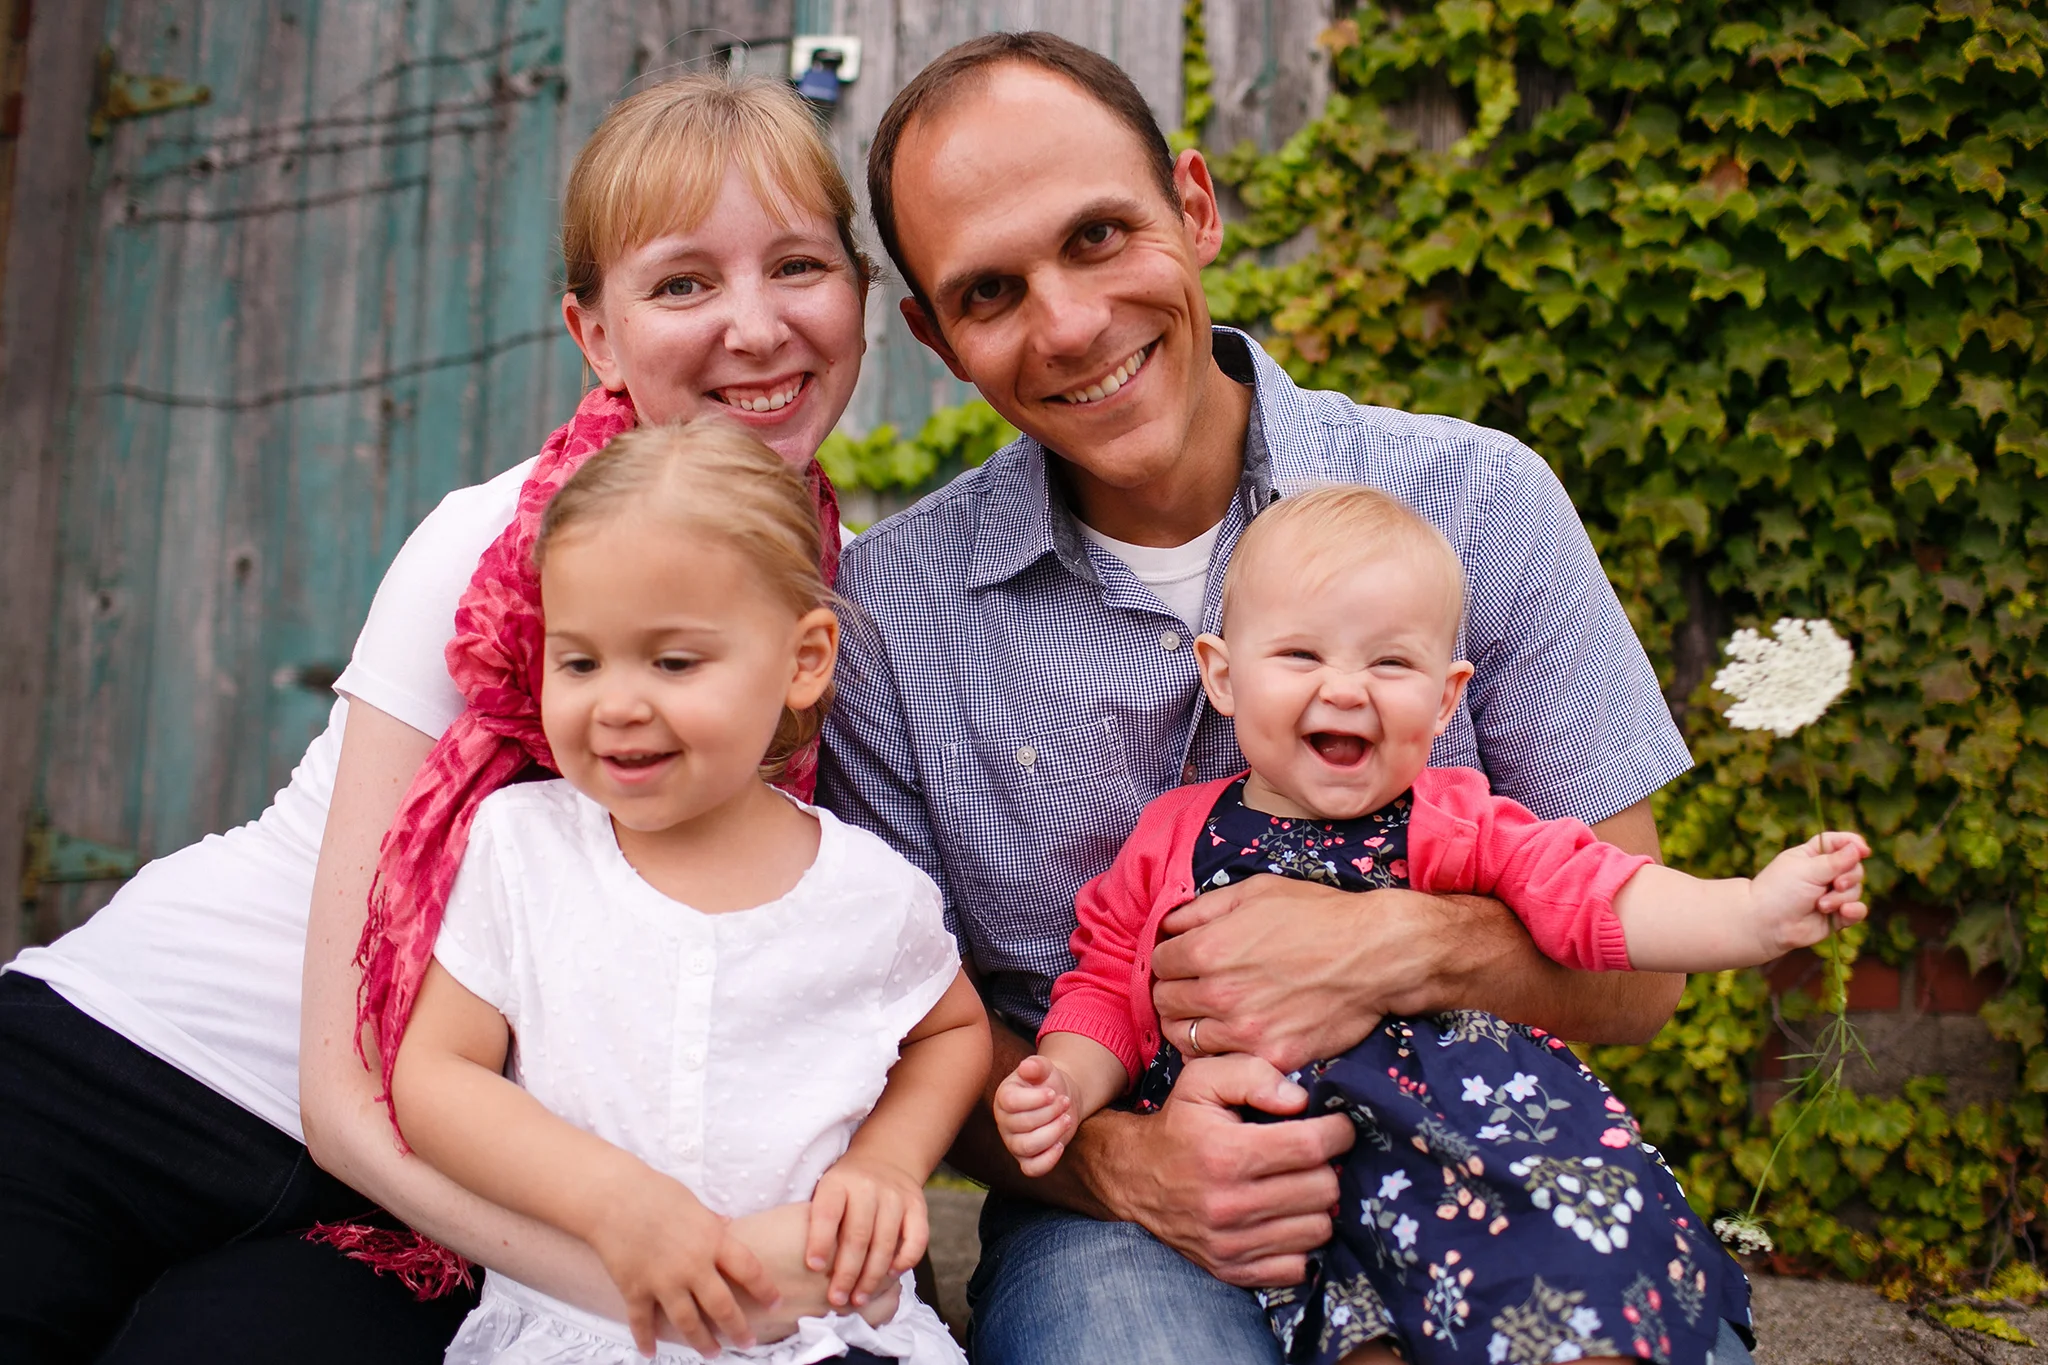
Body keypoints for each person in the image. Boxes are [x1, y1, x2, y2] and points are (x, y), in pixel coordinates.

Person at [820, 31, 1764, 1365]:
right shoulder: (891, 623)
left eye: (1099, 236)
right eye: (991, 291)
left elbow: (1644, 974)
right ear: (933, 334)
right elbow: (914, 1041)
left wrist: (1393, 948)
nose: (1072, 322)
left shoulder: (1481, 506)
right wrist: (1119, 1162)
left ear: (1193, 209)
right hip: (1125, 1228)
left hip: (1480, 1164)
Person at [0, 73, 874, 1363]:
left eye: (797, 264)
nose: (755, 328)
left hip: (414, 1204)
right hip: (143, 1074)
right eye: (684, 284)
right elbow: (344, 1092)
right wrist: (643, 1264)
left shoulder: (831, 594)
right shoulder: (497, 545)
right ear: (595, 333)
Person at [993, 485, 1872, 1364]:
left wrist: (1751, 911)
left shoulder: (1454, 819)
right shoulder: (1170, 839)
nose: (1346, 688)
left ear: (1447, 697)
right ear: (1223, 673)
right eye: (1300, 654)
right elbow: (1106, 984)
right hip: (1297, 1183)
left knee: (1582, 1303)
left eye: (1390, 665)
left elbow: (1602, 896)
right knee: (1353, 1338)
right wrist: (1065, 1081)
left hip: (1476, 1159)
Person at [384, 421, 987, 1365]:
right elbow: (435, 1078)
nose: (618, 703)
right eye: (580, 661)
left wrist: (886, 1163)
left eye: (673, 662)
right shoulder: (522, 849)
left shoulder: (868, 891)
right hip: (589, 1324)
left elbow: (951, 1032)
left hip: (821, 1327)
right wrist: (614, 1199)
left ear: (802, 661)